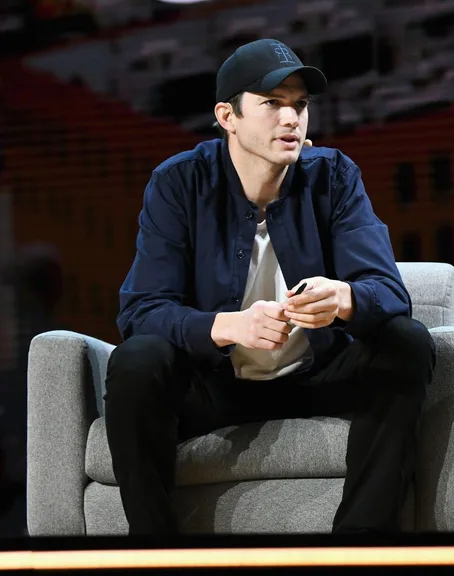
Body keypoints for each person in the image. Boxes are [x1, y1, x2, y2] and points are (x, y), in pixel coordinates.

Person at [105, 39, 435, 535]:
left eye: (300, 105)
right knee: (136, 361)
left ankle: (359, 546)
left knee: (406, 342)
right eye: (272, 104)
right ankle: (156, 551)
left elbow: (388, 292)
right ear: (227, 116)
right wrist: (226, 325)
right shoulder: (178, 183)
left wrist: (343, 299)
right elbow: (142, 311)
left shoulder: (335, 176)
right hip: (216, 386)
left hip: (317, 376)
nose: (291, 119)